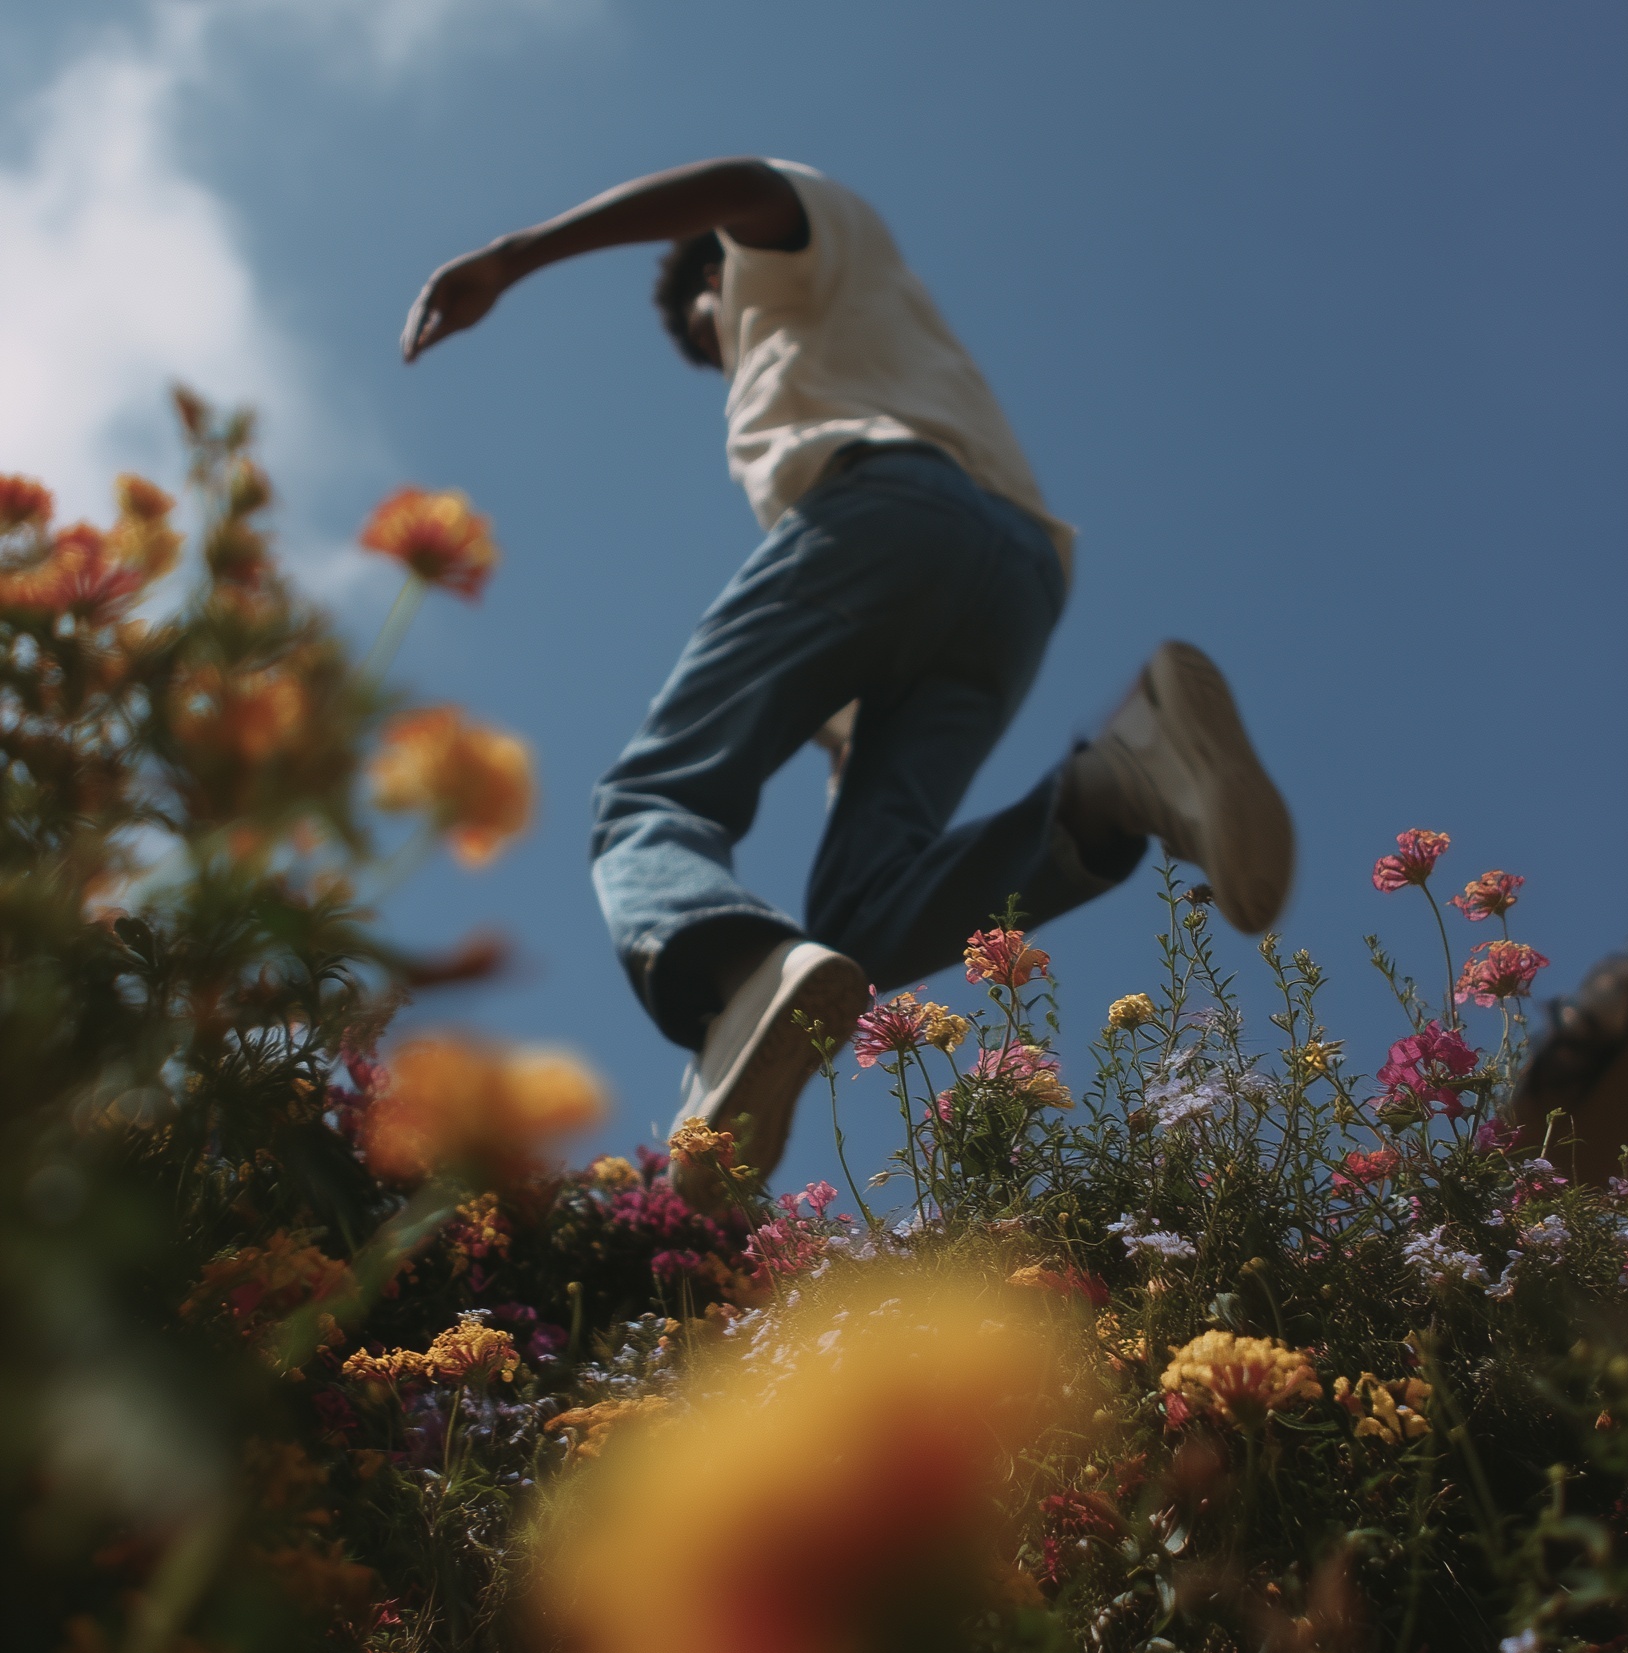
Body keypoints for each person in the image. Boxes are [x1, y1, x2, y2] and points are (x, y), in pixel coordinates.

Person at [402, 156, 1294, 1175]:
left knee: (650, 796)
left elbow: (741, 182)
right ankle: (1113, 784)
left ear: (715, 276)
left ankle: (731, 972)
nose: (716, 346)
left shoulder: (797, 263)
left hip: (890, 507)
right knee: (860, 918)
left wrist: (518, 255)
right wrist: (851, 766)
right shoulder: (867, 342)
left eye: (706, 322)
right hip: (1011, 589)